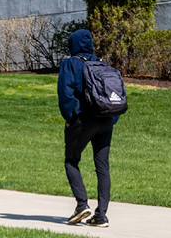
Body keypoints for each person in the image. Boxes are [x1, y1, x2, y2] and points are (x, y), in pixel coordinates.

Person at [57, 29, 116, 228]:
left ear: (72, 44)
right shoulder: (103, 64)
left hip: (82, 121)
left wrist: (69, 118)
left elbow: (65, 95)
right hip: (105, 120)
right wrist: (111, 119)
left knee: (71, 161)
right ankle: (101, 215)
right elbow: (113, 92)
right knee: (102, 166)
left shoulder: (70, 64)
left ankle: (82, 205)